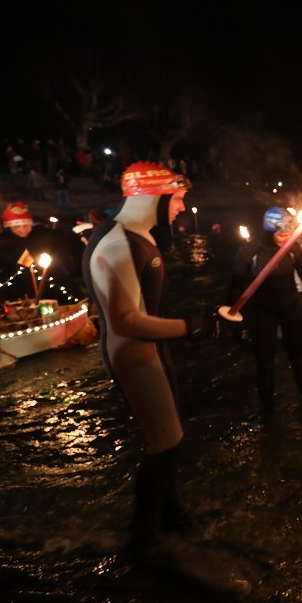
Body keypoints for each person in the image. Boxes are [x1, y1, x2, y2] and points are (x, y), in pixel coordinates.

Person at [81, 162, 203, 563]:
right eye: (179, 199)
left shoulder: (135, 236)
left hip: (149, 348)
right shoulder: (118, 244)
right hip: (133, 353)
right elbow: (126, 320)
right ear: (156, 196)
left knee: (172, 435)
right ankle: (142, 538)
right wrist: (191, 327)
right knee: (164, 440)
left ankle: (173, 516)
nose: (182, 208)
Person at [227, 207, 302, 420]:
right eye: (282, 234)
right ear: (268, 232)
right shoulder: (248, 252)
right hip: (264, 312)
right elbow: (236, 288)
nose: (287, 238)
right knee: (265, 361)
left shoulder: (294, 248)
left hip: (291, 307)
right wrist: (235, 320)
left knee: (298, 356)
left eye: (290, 234)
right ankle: (267, 408)